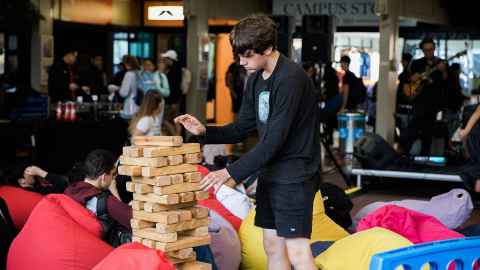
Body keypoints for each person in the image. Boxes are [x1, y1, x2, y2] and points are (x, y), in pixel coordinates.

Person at [175, 14, 320, 270]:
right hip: (271, 173)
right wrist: (204, 131)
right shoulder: (255, 78)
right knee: (272, 247)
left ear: (267, 48)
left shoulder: (291, 80)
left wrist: (230, 172)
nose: (242, 62)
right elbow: (242, 128)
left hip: (295, 175)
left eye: (248, 55)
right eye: (239, 55)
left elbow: (273, 141)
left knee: (297, 251)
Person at [64, 149, 132, 235]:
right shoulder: (106, 202)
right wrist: (115, 192)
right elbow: (133, 221)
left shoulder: (69, 191)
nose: (113, 178)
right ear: (103, 177)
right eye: (112, 174)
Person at [400, 37, 448, 155]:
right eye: (426, 50)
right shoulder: (416, 63)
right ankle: (405, 156)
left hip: (433, 104)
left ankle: (424, 158)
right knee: (412, 131)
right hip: (418, 102)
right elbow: (403, 78)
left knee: (428, 133)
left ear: (434, 49)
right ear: (422, 50)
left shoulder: (441, 63)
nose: (429, 52)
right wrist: (412, 78)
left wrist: (442, 72)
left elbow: (446, 83)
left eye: (431, 49)